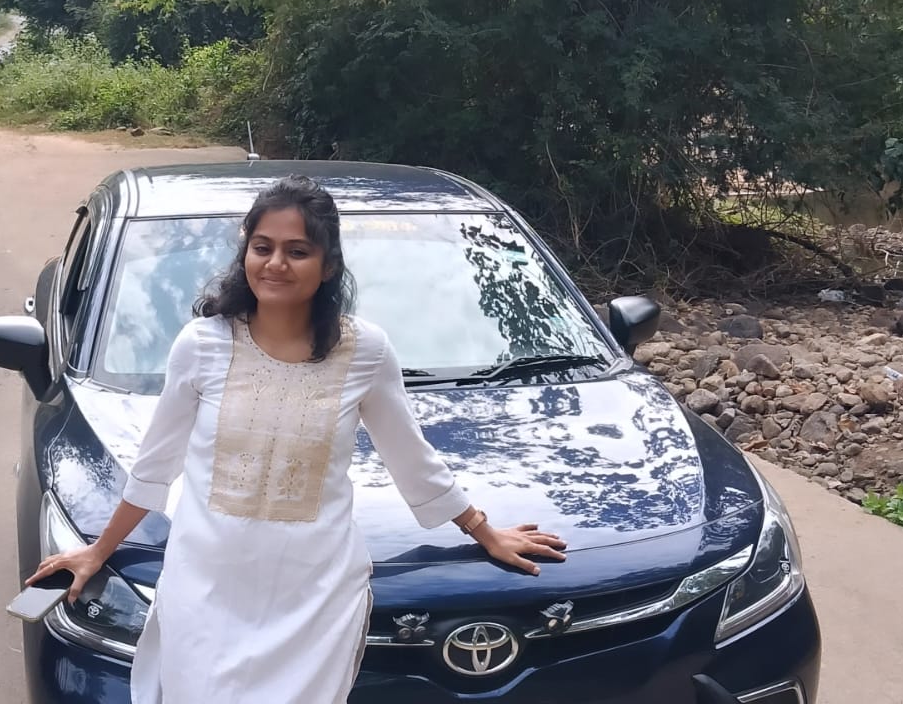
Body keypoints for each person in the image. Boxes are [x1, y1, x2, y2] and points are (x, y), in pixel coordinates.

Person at [29, 174, 566, 704]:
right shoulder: (202, 345)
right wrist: (99, 551)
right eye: (263, 247)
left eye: (298, 251)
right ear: (246, 253)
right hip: (206, 591)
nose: (276, 263)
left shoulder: (365, 352)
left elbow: (411, 458)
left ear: (328, 265)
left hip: (312, 598)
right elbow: (154, 466)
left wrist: (484, 532)